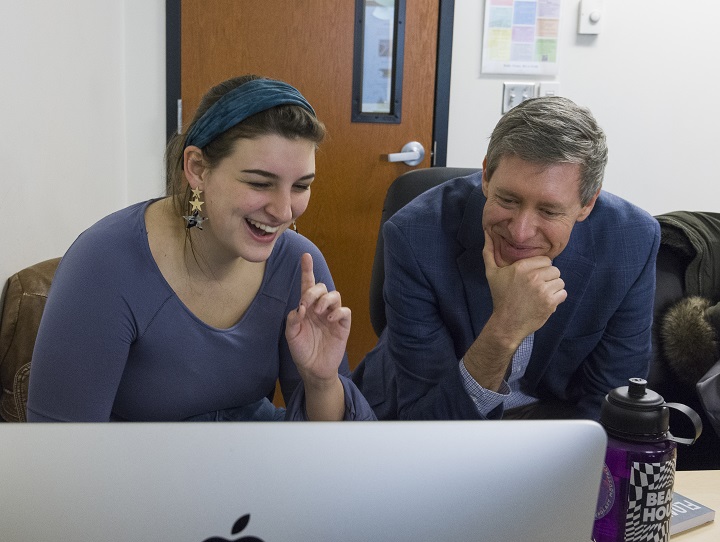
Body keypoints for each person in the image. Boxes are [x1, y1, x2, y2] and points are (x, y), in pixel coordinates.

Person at [27, 75, 375, 422]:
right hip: (135, 473)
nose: (284, 211)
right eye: (259, 183)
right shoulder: (104, 264)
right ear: (197, 168)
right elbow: (60, 451)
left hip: (256, 466)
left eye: (300, 186)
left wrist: (322, 382)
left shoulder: (298, 265)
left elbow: (329, 450)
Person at [354, 96, 660, 421]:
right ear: (486, 175)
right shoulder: (415, 235)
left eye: (549, 210)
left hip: (547, 425)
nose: (521, 232)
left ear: (587, 203)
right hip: (416, 418)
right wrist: (506, 327)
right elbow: (429, 421)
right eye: (508, 199)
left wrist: (580, 468)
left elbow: (611, 404)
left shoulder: (631, 241)